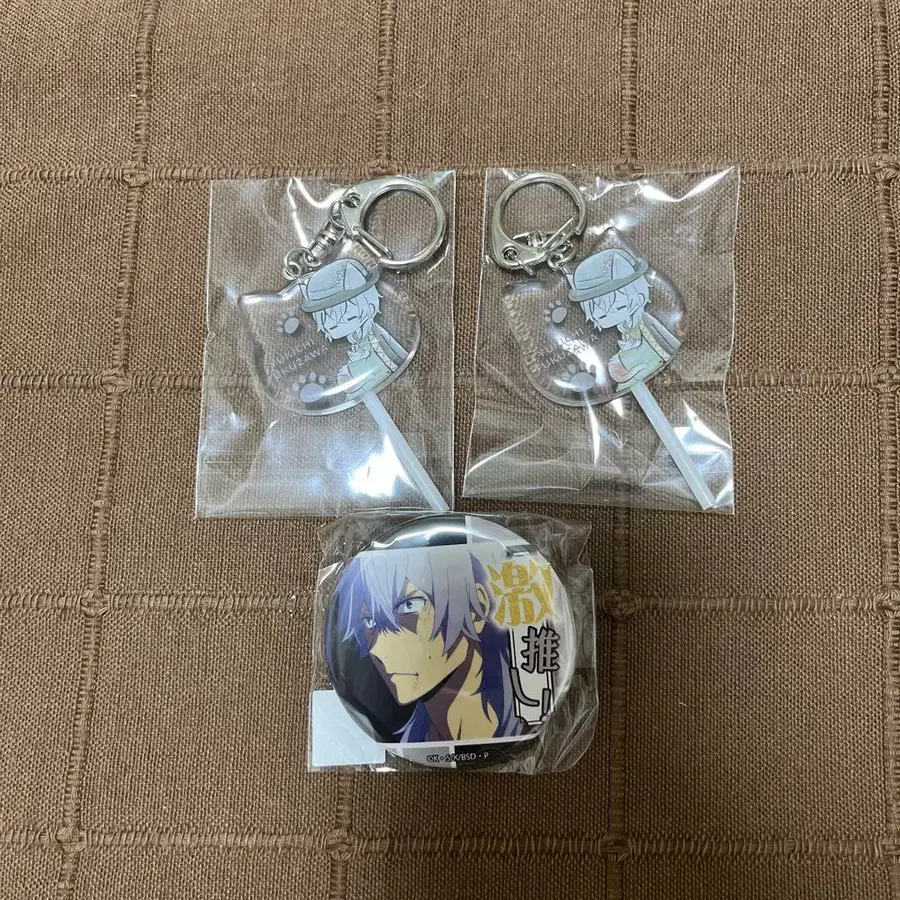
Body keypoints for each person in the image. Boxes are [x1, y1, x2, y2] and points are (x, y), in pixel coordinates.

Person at [326, 545, 523, 743]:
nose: (377, 649)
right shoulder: (408, 741)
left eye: (409, 606)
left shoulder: (526, 716)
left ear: (476, 608)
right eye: (369, 622)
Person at [566, 248, 679, 392]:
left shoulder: (644, 323)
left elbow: (660, 342)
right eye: (602, 316)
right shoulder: (625, 327)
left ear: (639, 293)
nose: (612, 315)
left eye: (621, 306)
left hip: (651, 358)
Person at [300, 258, 407, 401]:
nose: (338, 326)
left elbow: (392, 359)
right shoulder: (361, 340)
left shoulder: (376, 337)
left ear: (369, 306)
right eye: (332, 326)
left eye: (350, 317)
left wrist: (350, 372)